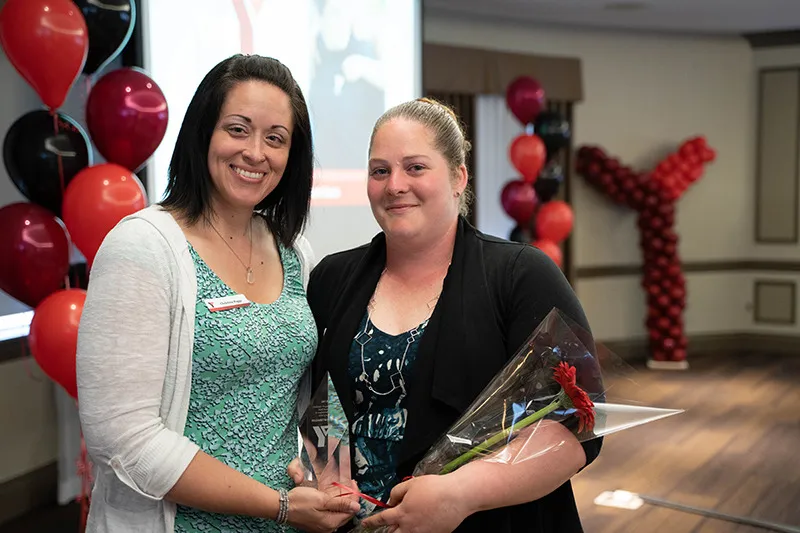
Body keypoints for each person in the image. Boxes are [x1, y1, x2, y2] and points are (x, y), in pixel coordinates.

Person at [76, 54, 359, 533]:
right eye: (237, 129)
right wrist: (279, 505)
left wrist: (329, 472)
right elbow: (124, 440)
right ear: (203, 132)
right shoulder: (143, 246)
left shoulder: (295, 253)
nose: (255, 152)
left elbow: (314, 391)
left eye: (276, 139)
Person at [292, 98, 601, 532]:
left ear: (458, 178)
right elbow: (319, 404)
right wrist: (323, 472)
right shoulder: (332, 277)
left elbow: (577, 426)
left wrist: (462, 493)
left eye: (415, 167)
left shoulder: (521, 275)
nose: (395, 184)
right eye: (380, 171)